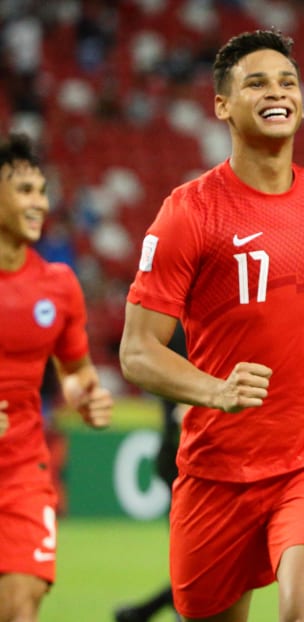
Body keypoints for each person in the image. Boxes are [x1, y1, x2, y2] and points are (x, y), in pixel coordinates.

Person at [118, 29, 304, 622]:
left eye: (288, 81)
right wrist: (215, 391)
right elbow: (137, 352)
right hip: (218, 470)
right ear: (222, 105)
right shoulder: (189, 212)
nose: (277, 91)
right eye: (256, 82)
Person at [0, 132, 114, 621]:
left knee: (22, 606)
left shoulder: (58, 285)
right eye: (25, 190)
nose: (39, 203)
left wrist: (84, 394)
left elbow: (73, 369)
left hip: (22, 471)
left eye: (42, 192)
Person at [114, 322, 187, 622]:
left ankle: (145, 611)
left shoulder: (173, 324)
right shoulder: (177, 326)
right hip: (182, 455)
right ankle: (156, 609)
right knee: (201, 559)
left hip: (182, 452)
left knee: (207, 559)